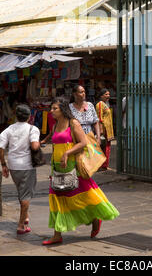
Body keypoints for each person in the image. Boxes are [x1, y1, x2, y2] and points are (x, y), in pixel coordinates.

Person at [43, 98, 119, 245]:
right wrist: (52, 168)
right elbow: (54, 147)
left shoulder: (73, 123)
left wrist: (67, 153)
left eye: (54, 109)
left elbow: (83, 142)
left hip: (74, 167)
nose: (51, 111)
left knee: (85, 196)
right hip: (58, 168)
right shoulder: (55, 125)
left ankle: (95, 218)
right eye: (51, 109)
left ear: (63, 109)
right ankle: (57, 234)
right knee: (56, 199)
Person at [0, 103, 40, 235]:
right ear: (29, 117)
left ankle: (25, 216)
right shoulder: (32, 129)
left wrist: (3, 164)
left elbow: (1, 147)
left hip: (13, 166)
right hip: (26, 166)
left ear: (16, 116)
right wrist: (39, 143)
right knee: (26, 195)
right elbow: (34, 147)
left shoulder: (9, 129)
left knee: (21, 191)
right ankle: (21, 225)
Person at [96, 89, 115, 170]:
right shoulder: (100, 104)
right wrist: (100, 131)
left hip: (108, 129)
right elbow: (99, 118)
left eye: (108, 94)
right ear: (101, 96)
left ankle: (105, 165)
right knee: (103, 148)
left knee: (107, 148)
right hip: (104, 130)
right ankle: (102, 165)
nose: (108, 96)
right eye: (106, 94)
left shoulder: (105, 104)